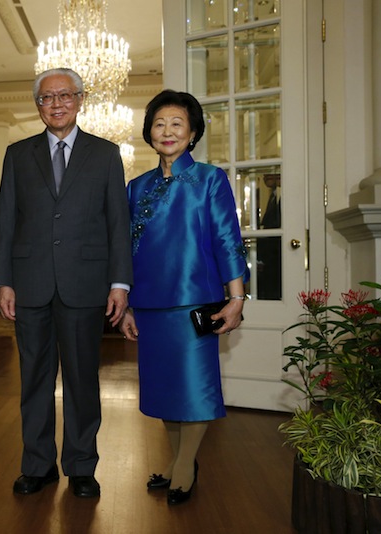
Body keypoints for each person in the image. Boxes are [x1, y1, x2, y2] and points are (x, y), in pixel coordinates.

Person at [0, 68, 133, 499]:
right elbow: (5, 221)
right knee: (33, 379)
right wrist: (3, 281)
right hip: (29, 283)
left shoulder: (106, 154)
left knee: (82, 380)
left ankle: (81, 465)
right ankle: (37, 465)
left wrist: (119, 283)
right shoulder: (17, 154)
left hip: (86, 284)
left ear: (80, 100)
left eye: (65, 96)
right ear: (38, 105)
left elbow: (117, 225)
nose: (56, 104)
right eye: (47, 98)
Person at [119, 89, 248, 505]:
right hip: (150, 305)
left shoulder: (210, 179)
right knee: (164, 392)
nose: (167, 131)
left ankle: (184, 468)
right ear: (148, 133)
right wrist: (127, 306)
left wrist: (237, 296)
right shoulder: (135, 187)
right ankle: (181, 463)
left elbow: (227, 238)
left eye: (177, 123)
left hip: (197, 302)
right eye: (159, 124)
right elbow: (125, 251)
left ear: (192, 133)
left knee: (194, 390)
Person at [256, 173, 282, 300]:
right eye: (264, 176)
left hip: (277, 255)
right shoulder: (273, 196)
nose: (265, 178)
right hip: (269, 256)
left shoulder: (284, 197)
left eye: (269, 175)